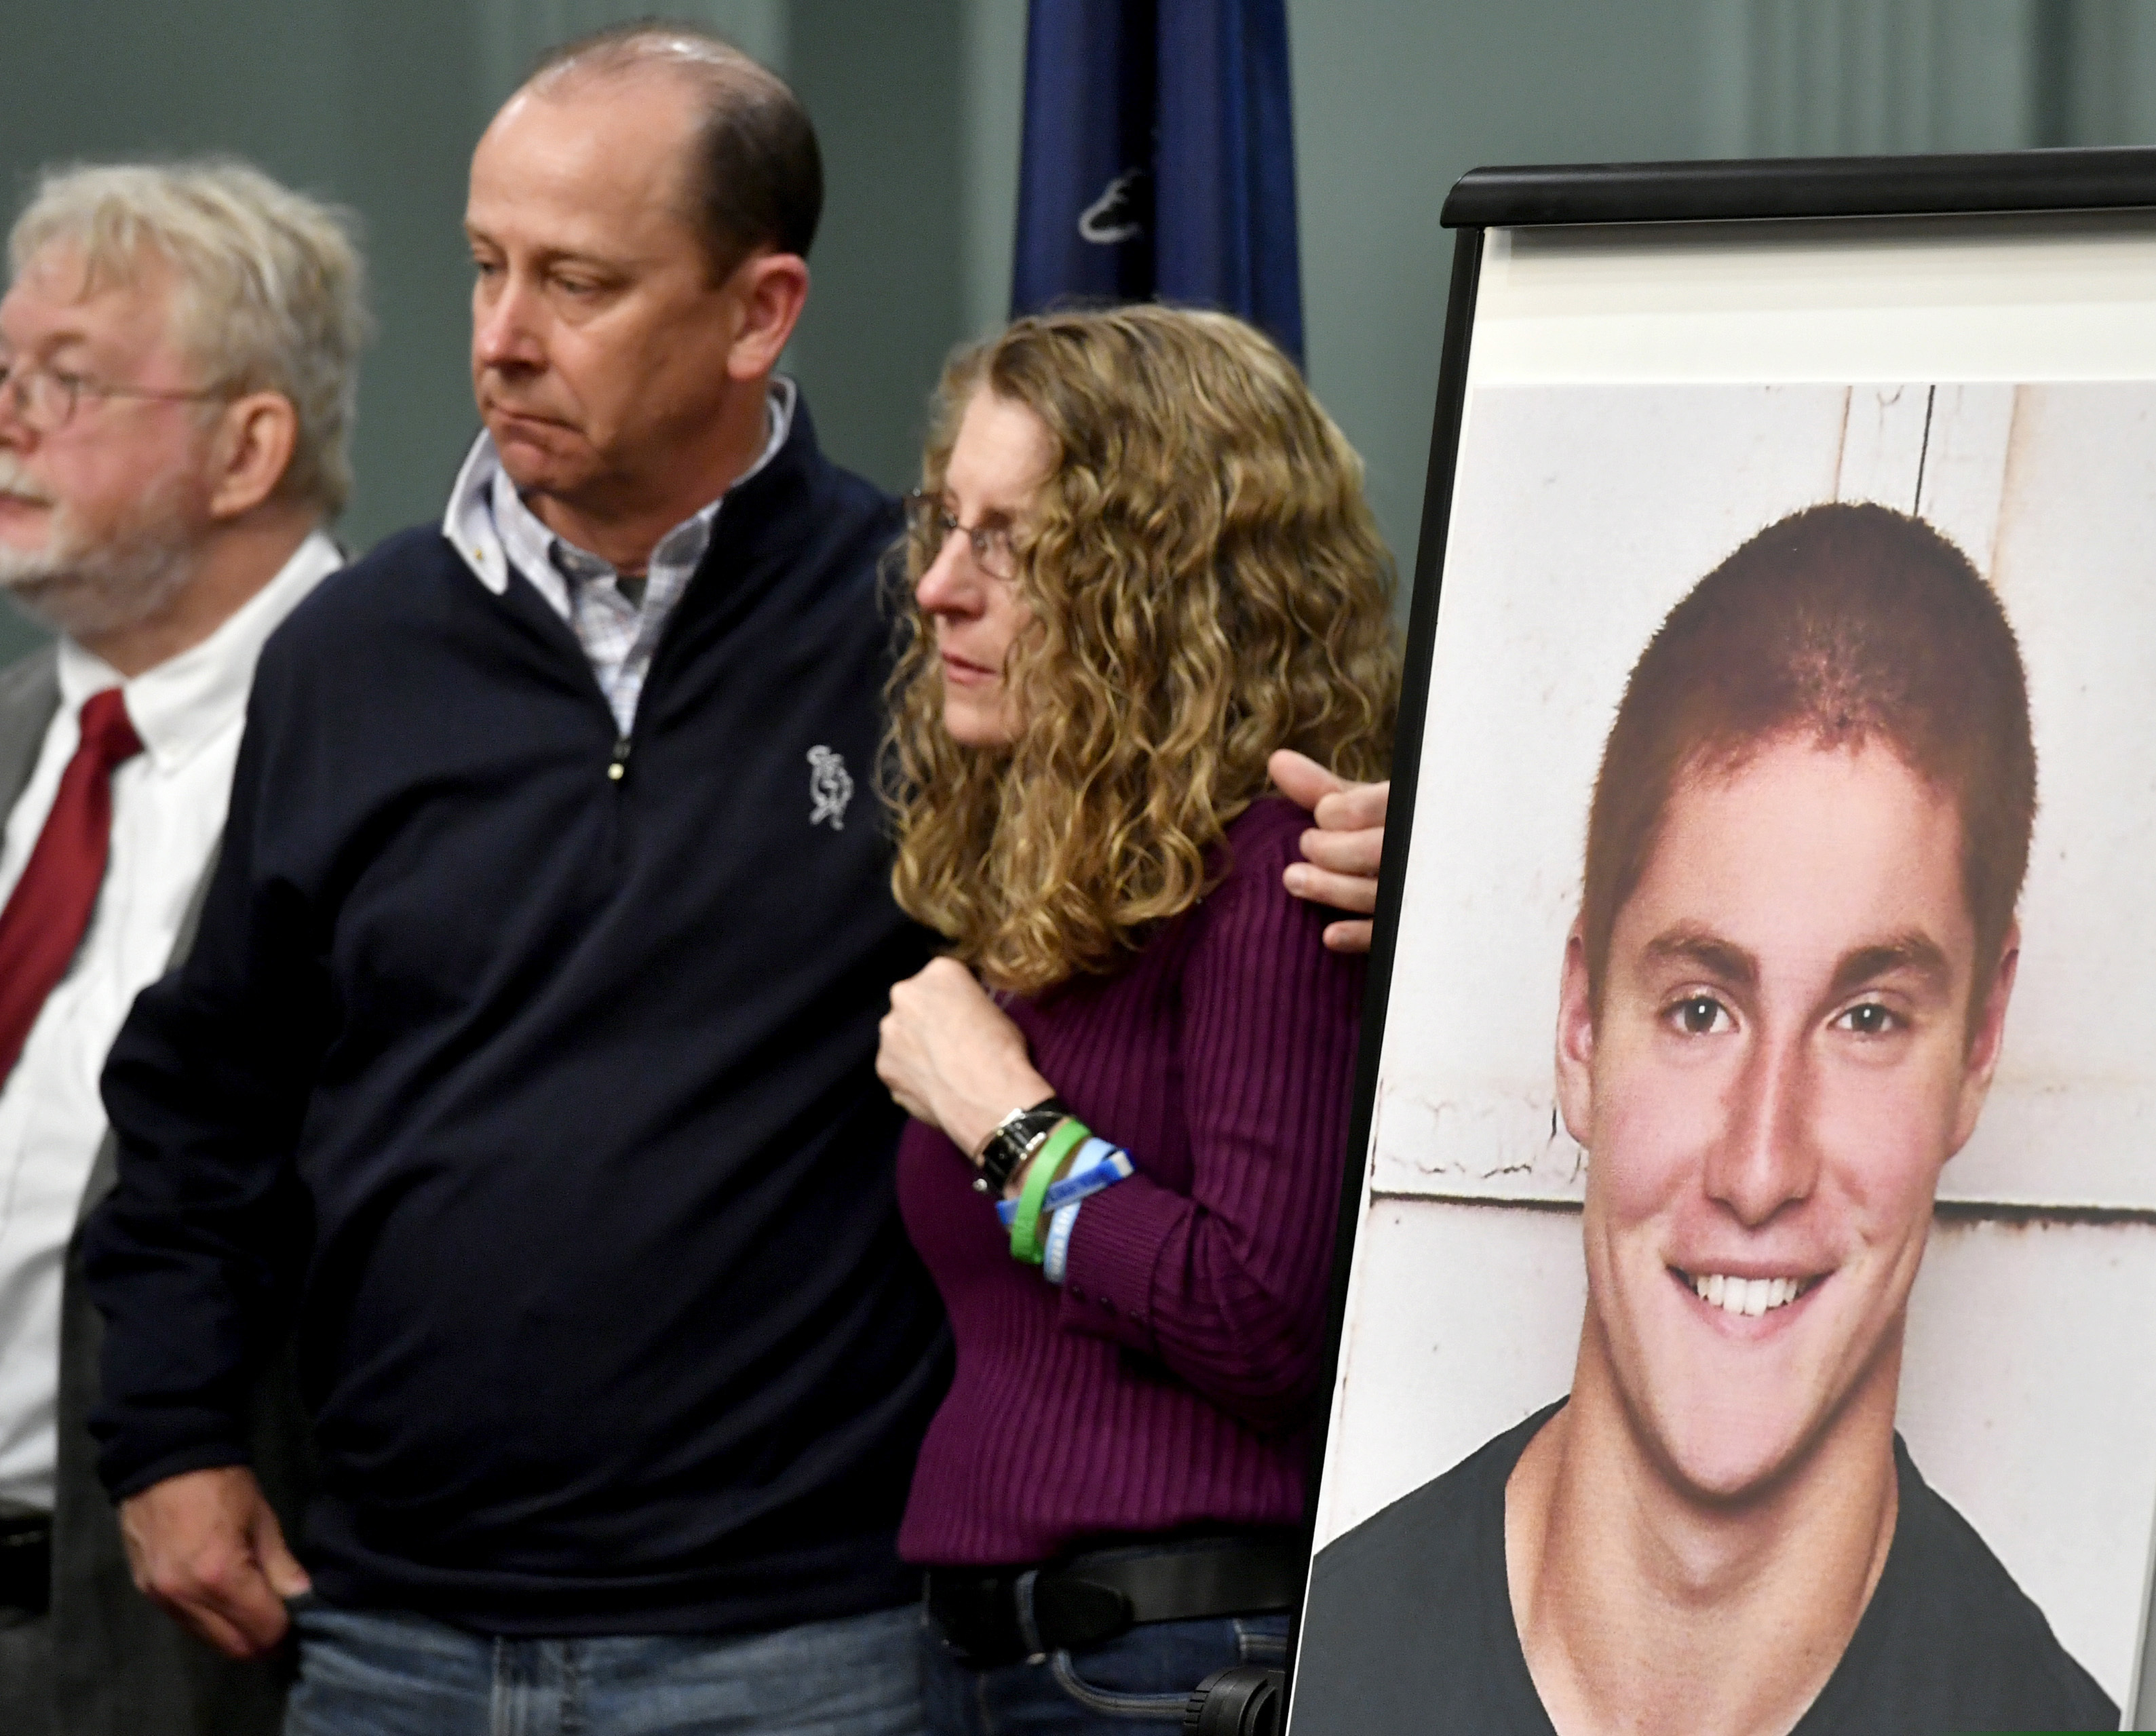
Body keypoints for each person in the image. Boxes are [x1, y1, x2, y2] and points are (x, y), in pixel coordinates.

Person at [82, 25, 1387, 1735]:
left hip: (816, 1640)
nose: (502, 337)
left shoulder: (917, 639)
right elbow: (203, 1094)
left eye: (578, 282)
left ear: (758, 311)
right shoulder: (354, 650)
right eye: (485, 267)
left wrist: (1419, 852)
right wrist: (169, 1431)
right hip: (392, 1623)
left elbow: (1202, 874)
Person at [1295, 503, 2119, 1735]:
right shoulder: (1328, 1662)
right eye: (1698, 1008)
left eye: (1869, 1017)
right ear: (1581, 1023)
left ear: (1980, 1043)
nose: (1759, 1163)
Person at [871, 305, 1398, 1734]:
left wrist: (1003, 1121)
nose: (937, 588)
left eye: (1012, 545)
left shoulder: (1278, 875)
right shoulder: (1061, 875)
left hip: (1162, 1666)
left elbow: (1259, 1322)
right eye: (947, 522)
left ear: (1155, 587)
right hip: (994, 1657)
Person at [0, 159, 364, 1736]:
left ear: (247, 446)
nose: (9, 418)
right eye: (2, 372)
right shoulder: (25, 732)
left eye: (65, 382)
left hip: (199, 1642)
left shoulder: (395, 748)